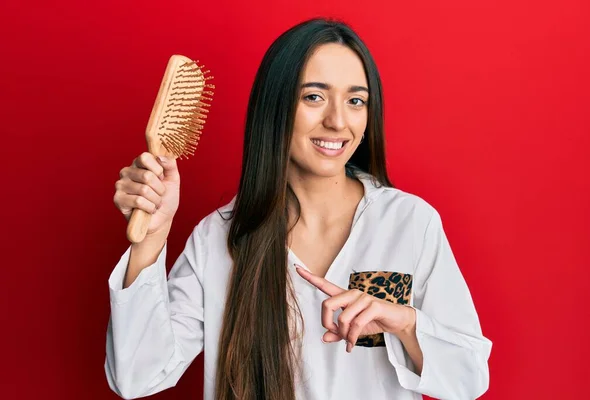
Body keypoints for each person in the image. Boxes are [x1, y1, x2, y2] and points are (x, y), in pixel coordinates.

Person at [105, 18, 492, 400]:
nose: (338, 121)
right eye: (313, 97)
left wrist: (405, 324)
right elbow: (137, 376)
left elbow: (469, 378)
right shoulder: (218, 236)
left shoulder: (409, 222)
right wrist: (150, 241)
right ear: (275, 107)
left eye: (356, 100)